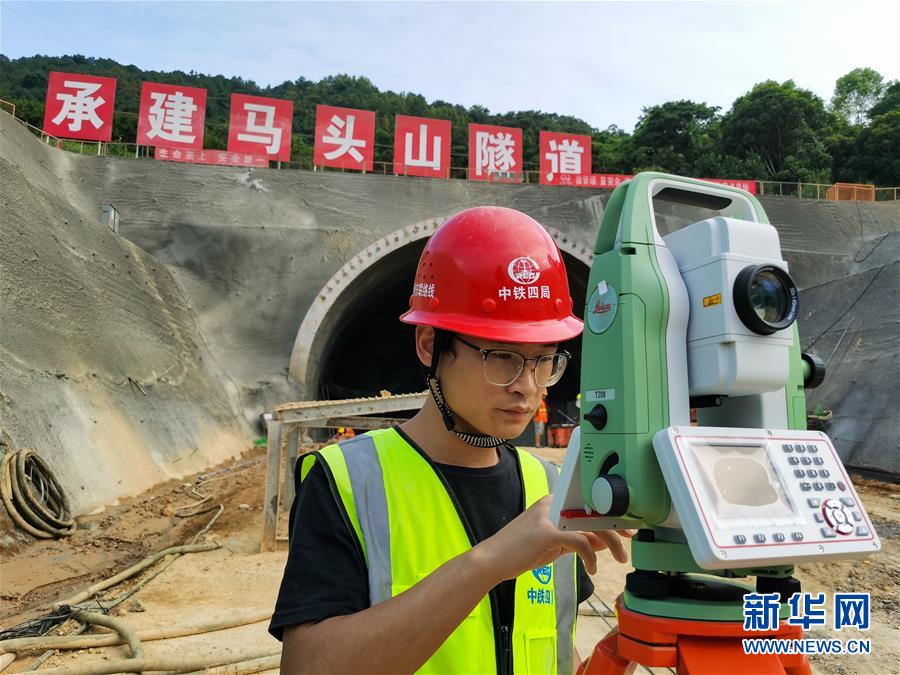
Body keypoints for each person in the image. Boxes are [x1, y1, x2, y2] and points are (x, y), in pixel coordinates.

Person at [269, 206, 633, 674]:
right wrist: (489, 563)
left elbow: (554, 651)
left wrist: (628, 643)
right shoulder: (349, 483)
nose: (528, 386)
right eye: (501, 357)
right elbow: (305, 668)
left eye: (544, 360)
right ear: (429, 345)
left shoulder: (550, 488)